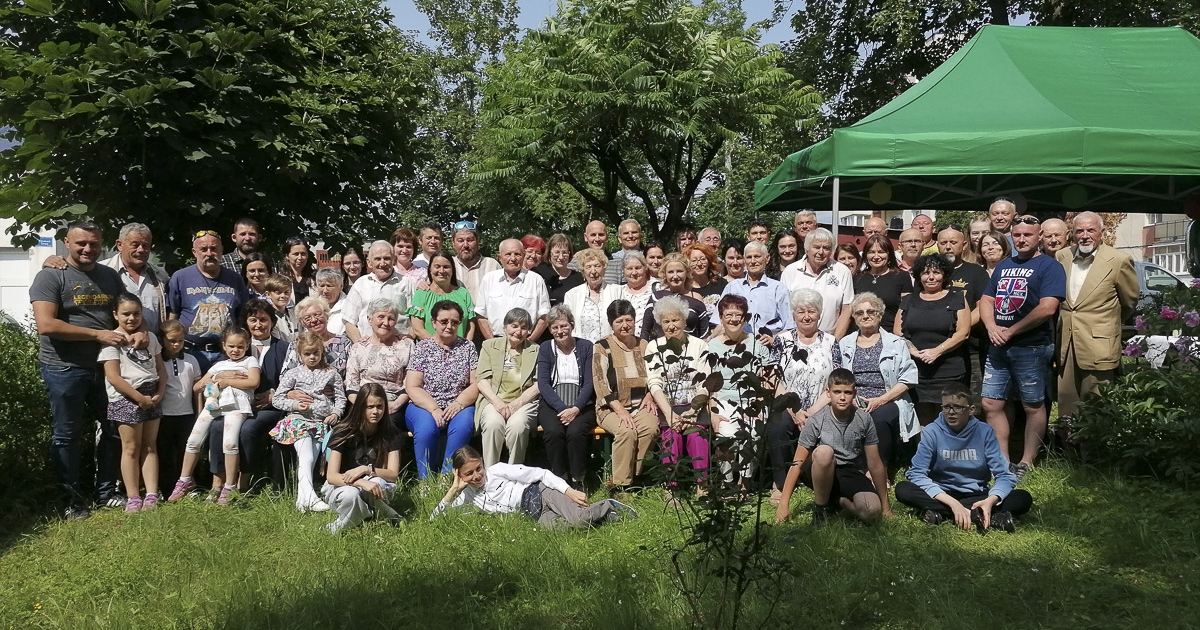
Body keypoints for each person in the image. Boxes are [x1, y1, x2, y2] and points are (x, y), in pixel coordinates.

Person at [31, 220, 129, 518]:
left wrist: (135, 332)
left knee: (114, 428)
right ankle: (70, 499)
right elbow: (46, 325)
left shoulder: (110, 276)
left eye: (94, 244)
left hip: (105, 366)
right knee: (68, 434)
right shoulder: (50, 276)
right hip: (64, 368)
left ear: (102, 244)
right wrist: (98, 335)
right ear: (67, 243)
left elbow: (123, 312)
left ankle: (106, 493)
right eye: (81, 243)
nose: (88, 249)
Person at [980, 215, 1067, 480]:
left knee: (1032, 405)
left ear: (1039, 236)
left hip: (1032, 346)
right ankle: (1003, 461)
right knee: (991, 402)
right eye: (1017, 235)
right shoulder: (1005, 266)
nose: (1021, 239)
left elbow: (1047, 307)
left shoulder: (1049, 267)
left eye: (1028, 235)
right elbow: (986, 299)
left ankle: (1027, 461)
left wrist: (1012, 331)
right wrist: (992, 327)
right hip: (999, 346)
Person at [895, 383, 1032, 532]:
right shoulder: (931, 432)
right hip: (942, 494)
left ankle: (946, 514)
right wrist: (953, 504)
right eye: (946, 407)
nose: (951, 412)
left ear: (971, 410)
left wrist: (990, 501)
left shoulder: (984, 432)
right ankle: (981, 516)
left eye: (957, 407)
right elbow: (916, 473)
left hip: (976, 495)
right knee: (902, 489)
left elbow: (1005, 475)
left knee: (1023, 498)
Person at [773, 369, 893, 525]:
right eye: (837, 392)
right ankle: (820, 509)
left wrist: (886, 507)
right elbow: (797, 463)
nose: (842, 397)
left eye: (847, 392)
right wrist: (783, 505)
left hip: (850, 471)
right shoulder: (816, 420)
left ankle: (838, 501)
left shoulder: (864, 419)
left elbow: (875, 463)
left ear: (854, 393)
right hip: (820, 469)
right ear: (828, 392)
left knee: (871, 512)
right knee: (824, 452)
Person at [1055, 211, 1138, 422]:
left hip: (1099, 343)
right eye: (1079, 230)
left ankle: (1095, 454)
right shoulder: (1062, 256)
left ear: (1101, 232)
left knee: (1096, 403)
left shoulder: (1119, 260)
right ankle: (1069, 452)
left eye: (1091, 230)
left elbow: (1128, 302)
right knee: (1066, 401)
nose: (1084, 235)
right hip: (1066, 342)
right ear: (1072, 233)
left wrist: (1106, 324)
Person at [431, 446, 637, 528]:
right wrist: (453, 490)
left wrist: (569, 491)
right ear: (459, 475)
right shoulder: (466, 496)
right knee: (567, 529)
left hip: (541, 493)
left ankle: (609, 505)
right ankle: (606, 519)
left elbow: (541, 473)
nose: (477, 476)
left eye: (479, 468)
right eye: (469, 473)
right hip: (533, 515)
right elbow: (435, 520)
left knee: (578, 519)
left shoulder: (498, 470)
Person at [169, 325, 261, 505]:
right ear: (224, 346)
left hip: (236, 405)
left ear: (247, 345)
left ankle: (229, 486)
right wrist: (220, 377)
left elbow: (253, 382)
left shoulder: (250, 361)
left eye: (240, 346)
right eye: (231, 346)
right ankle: (185, 479)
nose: (236, 350)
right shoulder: (218, 365)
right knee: (193, 440)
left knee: (230, 443)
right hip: (214, 405)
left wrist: (226, 381)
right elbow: (197, 387)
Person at [768, 289, 840, 506]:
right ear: (794, 314)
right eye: (801, 312)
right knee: (778, 425)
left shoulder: (831, 341)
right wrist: (795, 410)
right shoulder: (782, 340)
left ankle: (815, 479)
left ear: (819, 314)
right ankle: (780, 484)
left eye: (812, 311)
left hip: (821, 406)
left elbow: (835, 382)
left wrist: (811, 411)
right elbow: (773, 378)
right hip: (787, 405)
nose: (806, 316)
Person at [99, 293, 167, 513]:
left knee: (150, 446)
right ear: (115, 315)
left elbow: (161, 370)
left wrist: (160, 392)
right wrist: (138, 399)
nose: (131, 318)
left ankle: (152, 495)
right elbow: (113, 377)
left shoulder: (151, 338)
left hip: (152, 394)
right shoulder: (112, 341)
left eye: (136, 313)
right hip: (127, 397)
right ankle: (133, 496)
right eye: (126, 314)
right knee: (130, 448)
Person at [838, 293, 919, 471]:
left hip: (888, 398)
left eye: (870, 311)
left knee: (878, 419)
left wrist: (881, 400)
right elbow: (839, 378)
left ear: (880, 315)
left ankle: (879, 469)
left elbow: (909, 378)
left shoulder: (896, 343)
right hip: (854, 399)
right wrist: (850, 399)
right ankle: (850, 466)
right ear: (854, 317)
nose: (865, 316)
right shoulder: (845, 343)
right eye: (859, 313)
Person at [270, 331, 347, 513]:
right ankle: (311, 497)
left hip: (320, 424)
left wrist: (336, 413)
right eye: (307, 353)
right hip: (298, 421)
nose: (312, 357)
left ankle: (301, 500)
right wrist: (296, 404)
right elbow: (277, 399)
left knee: (310, 459)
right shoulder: (293, 374)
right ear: (300, 354)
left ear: (322, 352)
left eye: (316, 353)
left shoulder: (331, 373)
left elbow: (340, 398)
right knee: (308, 457)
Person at [645, 295, 710, 506]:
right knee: (670, 438)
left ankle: (702, 485)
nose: (671, 326)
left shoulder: (699, 345)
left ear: (684, 320)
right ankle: (671, 487)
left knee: (696, 437)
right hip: (668, 407)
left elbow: (705, 383)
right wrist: (670, 414)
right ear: (660, 324)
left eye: (675, 320)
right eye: (666, 321)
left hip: (695, 406)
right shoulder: (654, 347)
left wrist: (692, 411)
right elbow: (654, 384)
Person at [702, 294, 771, 488]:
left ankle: (745, 482)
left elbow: (766, 381)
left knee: (752, 435)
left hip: (751, 401)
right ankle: (728, 483)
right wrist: (713, 412)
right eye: (728, 314)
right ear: (721, 317)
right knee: (726, 435)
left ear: (745, 318)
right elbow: (709, 384)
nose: (733, 319)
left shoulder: (757, 345)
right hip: (722, 401)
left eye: (738, 315)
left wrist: (758, 407)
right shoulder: (711, 346)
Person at [404, 301, 479, 478]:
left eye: (454, 322)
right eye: (444, 321)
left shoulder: (468, 347)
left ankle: (448, 476)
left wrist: (459, 403)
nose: (449, 326)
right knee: (426, 429)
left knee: (463, 426)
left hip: (458, 403)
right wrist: (434, 408)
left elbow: (476, 383)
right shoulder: (423, 347)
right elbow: (413, 386)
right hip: (424, 404)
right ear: (434, 322)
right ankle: (426, 480)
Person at [895, 254, 971, 426]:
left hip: (949, 370)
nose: (930, 277)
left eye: (936, 272)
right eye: (925, 273)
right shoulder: (908, 300)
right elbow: (898, 332)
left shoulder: (957, 298)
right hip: (916, 370)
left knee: (950, 419)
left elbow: (963, 332)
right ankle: (926, 452)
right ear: (918, 276)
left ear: (944, 274)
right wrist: (914, 351)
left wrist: (937, 351)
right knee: (922, 419)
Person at [593, 300, 659, 494]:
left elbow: (655, 374)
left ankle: (635, 475)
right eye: (619, 321)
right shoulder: (602, 346)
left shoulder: (644, 345)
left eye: (628, 320)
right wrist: (621, 411)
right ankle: (622, 486)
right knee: (627, 432)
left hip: (640, 404)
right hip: (610, 407)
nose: (625, 325)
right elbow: (600, 382)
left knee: (650, 428)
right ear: (611, 324)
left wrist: (650, 395)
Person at [322, 383, 403, 534]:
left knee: (377, 483)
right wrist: (361, 482)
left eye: (380, 406)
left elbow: (393, 474)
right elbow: (332, 476)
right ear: (360, 407)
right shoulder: (342, 432)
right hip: (342, 486)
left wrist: (367, 470)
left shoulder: (391, 433)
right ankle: (386, 515)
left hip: (377, 486)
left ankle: (355, 518)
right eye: (369, 407)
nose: (375, 412)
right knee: (351, 495)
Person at [168, 230, 249, 372]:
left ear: (221, 250)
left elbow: (242, 316)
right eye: (203, 249)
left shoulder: (235, 279)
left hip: (226, 354)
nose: (209, 253)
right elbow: (172, 317)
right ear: (194, 252)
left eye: (214, 248)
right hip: (189, 353)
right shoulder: (180, 277)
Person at [536, 306, 597, 489]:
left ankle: (579, 479)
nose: (560, 331)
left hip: (581, 402)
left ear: (571, 325)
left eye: (563, 326)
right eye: (554, 328)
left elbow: (589, 382)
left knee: (575, 432)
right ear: (550, 330)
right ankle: (559, 478)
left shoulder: (586, 346)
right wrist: (562, 408)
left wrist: (576, 408)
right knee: (554, 432)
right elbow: (543, 384)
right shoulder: (546, 348)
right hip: (553, 402)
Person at [477, 308, 541, 466]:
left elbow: (539, 384)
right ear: (505, 327)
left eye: (524, 327)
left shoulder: (536, 349)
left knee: (517, 426)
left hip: (524, 402)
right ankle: (491, 475)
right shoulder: (489, 346)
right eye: (514, 326)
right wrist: (497, 403)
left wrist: (516, 404)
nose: (518, 331)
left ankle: (514, 474)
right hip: (493, 400)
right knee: (493, 424)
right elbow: (482, 380)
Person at [345, 299, 414, 430]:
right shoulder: (359, 347)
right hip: (363, 403)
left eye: (391, 318)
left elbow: (409, 383)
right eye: (381, 317)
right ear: (369, 320)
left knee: (390, 425)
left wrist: (394, 405)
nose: (386, 323)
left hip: (394, 403)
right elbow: (351, 385)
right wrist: (366, 407)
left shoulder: (407, 346)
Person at [939, 226, 991, 391]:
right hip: (937, 344)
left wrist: (961, 328)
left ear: (964, 244)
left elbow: (983, 304)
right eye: (943, 242)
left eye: (953, 242)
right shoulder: (928, 272)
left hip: (971, 347)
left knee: (971, 398)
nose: (948, 246)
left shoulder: (976, 272)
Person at [713, 241, 794, 344]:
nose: (753, 261)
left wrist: (774, 339)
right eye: (749, 257)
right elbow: (719, 322)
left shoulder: (778, 289)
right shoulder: (732, 287)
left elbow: (790, 326)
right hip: (736, 346)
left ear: (767, 258)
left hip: (767, 347)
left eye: (757, 256)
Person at [157, 320, 201, 496]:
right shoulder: (158, 360)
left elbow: (197, 389)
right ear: (162, 340)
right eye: (171, 340)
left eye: (180, 341)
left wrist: (199, 412)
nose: (176, 344)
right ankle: (166, 488)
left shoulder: (191, 360)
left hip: (186, 414)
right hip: (164, 415)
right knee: (165, 453)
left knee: (188, 451)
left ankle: (189, 485)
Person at [781, 228, 853, 338]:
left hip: (830, 338)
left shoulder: (842, 271)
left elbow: (846, 310)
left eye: (826, 248)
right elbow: (785, 310)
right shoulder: (790, 271)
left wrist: (834, 342)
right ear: (807, 249)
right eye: (816, 247)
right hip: (796, 340)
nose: (821, 252)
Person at [475, 238, 551, 340]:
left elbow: (545, 315)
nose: (513, 258)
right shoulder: (488, 279)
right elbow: (481, 315)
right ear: (500, 257)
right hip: (496, 340)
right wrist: (492, 342)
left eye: (517, 254)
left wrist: (530, 341)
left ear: (523, 256)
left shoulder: (536, 280)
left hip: (526, 341)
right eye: (508, 254)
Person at [101, 222, 170, 333]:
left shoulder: (160, 275)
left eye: (145, 245)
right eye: (135, 245)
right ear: (119, 245)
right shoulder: (102, 271)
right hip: (116, 344)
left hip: (153, 345)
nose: (141, 250)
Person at [342, 241, 413, 343]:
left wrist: (410, 337)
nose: (382, 263)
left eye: (387, 258)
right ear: (369, 262)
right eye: (377, 259)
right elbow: (348, 321)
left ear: (393, 260)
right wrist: (359, 344)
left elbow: (417, 319)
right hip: (367, 350)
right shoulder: (360, 284)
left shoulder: (406, 284)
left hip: (398, 349)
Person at [408, 251, 477, 341]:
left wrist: (465, 347)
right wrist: (439, 348)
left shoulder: (463, 293)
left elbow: (470, 325)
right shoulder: (421, 294)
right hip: (431, 351)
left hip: (460, 351)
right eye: (437, 266)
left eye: (446, 267)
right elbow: (418, 329)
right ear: (430, 269)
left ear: (452, 270)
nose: (441, 271)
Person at [641, 253, 710, 339]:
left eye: (679, 271)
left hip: (690, 350)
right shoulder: (656, 297)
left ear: (687, 272)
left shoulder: (697, 299)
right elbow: (645, 331)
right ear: (665, 274)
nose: (675, 276)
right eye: (670, 272)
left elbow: (704, 335)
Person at [852, 234, 912, 333]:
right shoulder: (857, 277)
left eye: (881, 252)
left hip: (890, 334)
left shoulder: (902, 276)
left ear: (889, 254)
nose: (876, 256)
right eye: (871, 252)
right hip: (860, 335)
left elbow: (906, 309)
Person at [563, 249, 619, 343]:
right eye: (588, 267)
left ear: (604, 269)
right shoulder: (572, 295)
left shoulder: (617, 291)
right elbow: (567, 324)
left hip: (611, 348)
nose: (593, 271)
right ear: (583, 271)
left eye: (597, 266)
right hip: (582, 350)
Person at [292, 295, 350, 375]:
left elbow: (352, 376)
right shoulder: (295, 345)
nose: (314, 320)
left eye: (317, 314)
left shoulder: (344, 343)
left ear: (326, 315)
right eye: (307, 318)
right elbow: (285, 378)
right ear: (302, 323)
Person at [451, 220, 501, 306]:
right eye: (460, 240)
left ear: (478, 241)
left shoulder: (492, 265)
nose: (465, 245)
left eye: (470, 240)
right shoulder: (447, 265)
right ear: (453, 243)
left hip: (485, 318)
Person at [533, 233, 584, 307]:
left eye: (564, 253)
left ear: (570, 254)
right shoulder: (540, 274)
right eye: (557, 252)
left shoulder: (579, 278)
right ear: (550, 253)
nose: (561, 257)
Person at [613, 252, 656, 337]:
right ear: (623, 271)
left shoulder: (657, 287)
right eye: (629, 269)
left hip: (652, 342)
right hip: (625, 343)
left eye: (638, 268)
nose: (634, 272)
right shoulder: (619, 291)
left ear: (645, 268)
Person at [685, 243, 726, 316]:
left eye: (703, 259)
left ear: (709, 262)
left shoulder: (721, 284)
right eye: (694, 260)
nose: (699, 264)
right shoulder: (685, 289)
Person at [263, 273, 298, 343]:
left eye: (286, 292)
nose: (283, 296)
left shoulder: (295, 313)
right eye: (278, 292)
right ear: (268, 294)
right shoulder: (269, 317)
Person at [313, 268, 348, 337]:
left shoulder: (349, 306)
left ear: (341, 286)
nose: (325, 291)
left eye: (329, 286)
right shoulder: (311, 306)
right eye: (322, 286)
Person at [608, 219, 645, 285]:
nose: (630, 236)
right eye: (626, 233)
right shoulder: (612, 260)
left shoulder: (648, 258)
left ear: (640, 236)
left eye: (634, 232)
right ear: (619, 238)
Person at [282, 236, 314, 303]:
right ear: (287, 256)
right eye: (296, 254)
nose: (300, 257)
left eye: (303, 254)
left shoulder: (315, 277)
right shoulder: (280, 278)